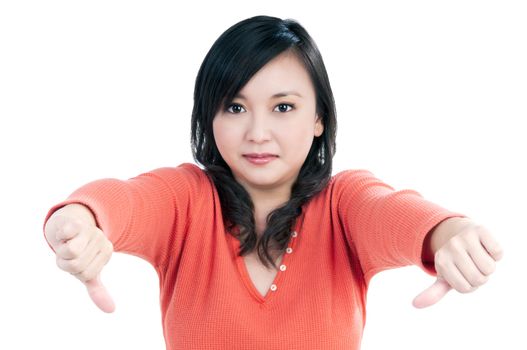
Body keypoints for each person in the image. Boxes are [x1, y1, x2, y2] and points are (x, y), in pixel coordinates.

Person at [43, 15, 503, 349]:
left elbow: (391, 211)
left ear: (319, 118)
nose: (257, 133)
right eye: (235, 107)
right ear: (210, 116)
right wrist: (78, 222)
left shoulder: (343, 205)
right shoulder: (186, 201)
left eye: (283, 107)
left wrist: (450, 234)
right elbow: (124, 200)